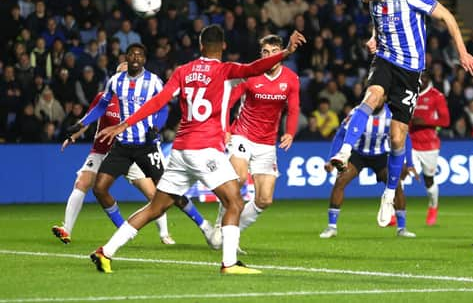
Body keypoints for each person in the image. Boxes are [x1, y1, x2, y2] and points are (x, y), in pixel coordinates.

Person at [92, 25, 306, 275]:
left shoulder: (183, 71)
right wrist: (287, 52)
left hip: (181, 151)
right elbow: (255, 68)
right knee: (235, 202)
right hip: (205, 149)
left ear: (201, 46)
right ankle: (229, 263)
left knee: (155, 208)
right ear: (223, 46)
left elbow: (158, 101)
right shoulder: (227, 70)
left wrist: (125, 123)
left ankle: (105, 251)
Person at [330, 0, 473, 227]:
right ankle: (344, 151)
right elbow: (380, 24)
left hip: (410, 72)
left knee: (397, 138)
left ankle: (389, 194)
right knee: (371, 97)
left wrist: (462, 52)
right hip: (385, 61)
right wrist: (375, 38)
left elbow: (447, 16)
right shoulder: (372, 4)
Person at [67, 45, 214, 244]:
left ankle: (203, 226)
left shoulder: (153, 81)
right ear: (126, 57)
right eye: (132, 54)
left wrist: (156, 126)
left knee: (168, 189)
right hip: (122, 146)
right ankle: (124, 229)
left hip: (147, 145)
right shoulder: (115, 81)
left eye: (139, 55)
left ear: (144, 59)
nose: (135, 58)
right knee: (99, 188)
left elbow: (163, 107)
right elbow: (102, 105)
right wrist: (81, 124)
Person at [52, 64, 175, 245]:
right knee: (82, 183)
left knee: (153, 193)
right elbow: (88, 119)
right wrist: (73, 135)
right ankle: (67, 229)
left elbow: (156, 115)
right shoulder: (103, 98)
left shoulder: (140, 100)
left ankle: (164, 234)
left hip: (129, 152)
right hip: (102, 151)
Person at [211, 34, 300, 249]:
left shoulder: (290, 78)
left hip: (267, 143)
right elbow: (229, 102)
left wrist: (290, 132)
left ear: (280, 54)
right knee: (239, 178)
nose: (269, 56)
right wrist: (225, 130)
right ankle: (220, 224)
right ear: (261, 54)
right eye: (265, 52)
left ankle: (232, 231)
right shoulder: (250, 75)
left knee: (264, 200)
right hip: (243, 135)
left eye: (273, 52)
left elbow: (294, 108)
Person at [320, 100, 417, 239]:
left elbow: (404, 137)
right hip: (358, 154)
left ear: (385, 98)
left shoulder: (393, 114)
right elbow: (341, 134)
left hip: (381, 156)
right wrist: (331, 158)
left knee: (397, 186)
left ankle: (402, 228)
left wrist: (409, 162)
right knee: (341, 180)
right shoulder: (358, 112)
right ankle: (331, 227)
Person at [409, 73, 450, 226]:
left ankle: (433, 207)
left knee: (428, 180)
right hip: (411, 142)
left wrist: (424, 122)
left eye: (424, 78)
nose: (421, 81)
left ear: (429, 79)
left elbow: (445, 121)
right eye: (419, 78)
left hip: (429, 145)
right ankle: (393, 212)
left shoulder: (436, 96)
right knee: (399, 174)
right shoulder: (410, 92)